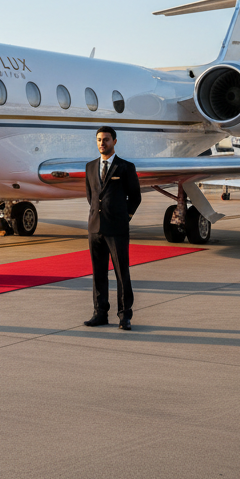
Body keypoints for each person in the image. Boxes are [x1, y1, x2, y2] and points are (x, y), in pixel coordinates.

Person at [84, 126, 141, 330]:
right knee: (98, 273)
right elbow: (91, 196)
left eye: (106, 139)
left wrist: (125, 217)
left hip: (117, 228)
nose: (102, 143)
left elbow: (135, 197)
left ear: (114, 142)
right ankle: (100, 313)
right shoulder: (90, 167)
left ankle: (125, 315)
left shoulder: (125, 167)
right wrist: (95, 217)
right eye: (99, 139)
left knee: (121, 273)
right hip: (95, 229)